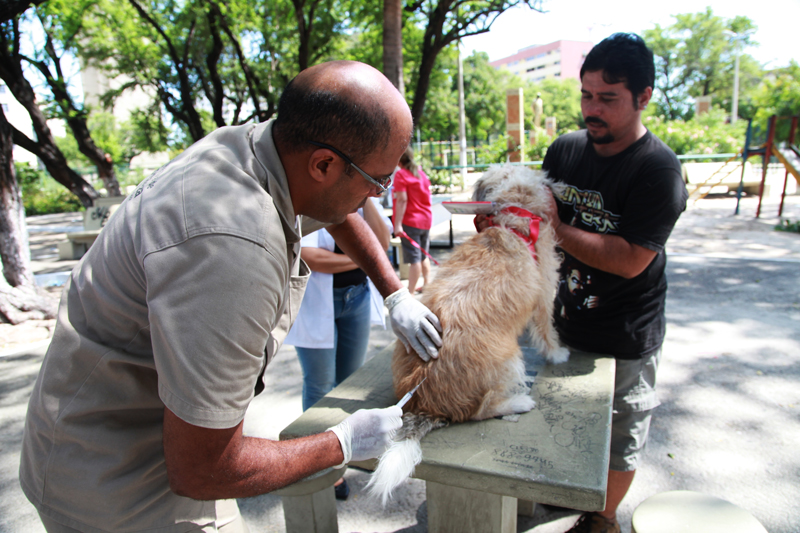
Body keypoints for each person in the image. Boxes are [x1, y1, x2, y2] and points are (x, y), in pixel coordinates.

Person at [19, 61, 443, 532]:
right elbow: (203, 469)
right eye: (376, 181)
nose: (377, 195)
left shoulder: (266, 147)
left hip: (147, 437)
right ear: (324, 164)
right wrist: (343, 441)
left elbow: (336, 207)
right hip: (116, 481)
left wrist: (393, 294)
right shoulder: (232, 251)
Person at [477, 33, 687, 533]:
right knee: (541, 419)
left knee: (620, 436)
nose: (592, 110)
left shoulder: (658, 169)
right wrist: (502, 220)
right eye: (586, 95)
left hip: (624, 336)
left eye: (608, 99)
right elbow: (537, 225)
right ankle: (544, 493)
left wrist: (552, 227)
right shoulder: (567, 149)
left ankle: (602, 517)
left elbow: (630, 259)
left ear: (644, 97)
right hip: (558, 323)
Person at [284, 197, 391, 500]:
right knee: (320, 385)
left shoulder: (364, 197)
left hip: (355, 297)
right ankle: (320, 463)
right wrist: (361, 258)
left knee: (349, 383)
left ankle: (345, 449)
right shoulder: (313, 197)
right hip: (317, 300)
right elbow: (310, 256)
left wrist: (367, 197)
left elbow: (382, 242)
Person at [392, 146, 433, 294]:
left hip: (410, 221)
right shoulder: (420, 173)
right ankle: (427, 284)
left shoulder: (401, 175)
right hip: (425, 220)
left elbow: (402, 200)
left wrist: (397, 225)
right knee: (423, 255)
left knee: (414, 259)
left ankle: (410, 292)